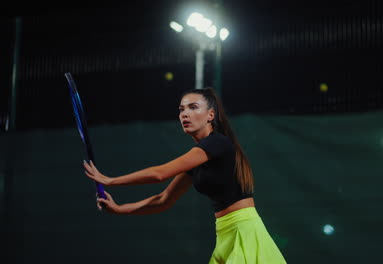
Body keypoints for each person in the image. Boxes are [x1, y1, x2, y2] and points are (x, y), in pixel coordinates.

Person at [83, 87, 286, 263]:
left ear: (211, 115)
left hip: (245, 232)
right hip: (224, 234)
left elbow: (159, 174)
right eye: (181, 109)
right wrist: (119, 209)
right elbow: (163, 200)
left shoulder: (217, 143)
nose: (184, 114)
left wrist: (110, 180)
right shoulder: (199, 159)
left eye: (193, 107)